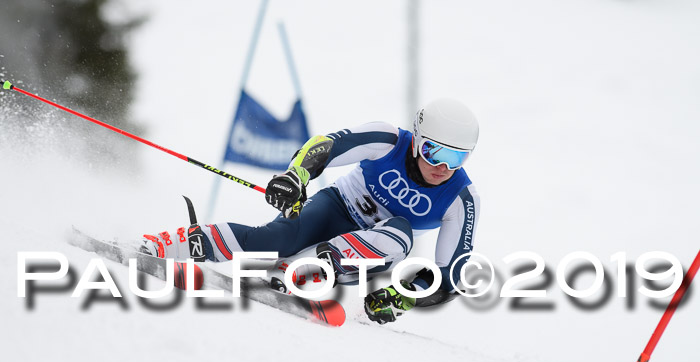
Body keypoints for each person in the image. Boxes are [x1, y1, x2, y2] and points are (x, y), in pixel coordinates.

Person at [141, 98, 481, 324]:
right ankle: (168, 245)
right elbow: (326, 145)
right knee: (272, 239)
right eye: (434, 152)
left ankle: (301, 274)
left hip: (370, 252)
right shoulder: (389, 140)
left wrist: (402, 297)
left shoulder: (461, 200)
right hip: (335, 206)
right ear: (418, 138)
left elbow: (448, 277)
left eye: (457, 158)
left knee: (401, 231)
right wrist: (295, 176)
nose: (443, 167)